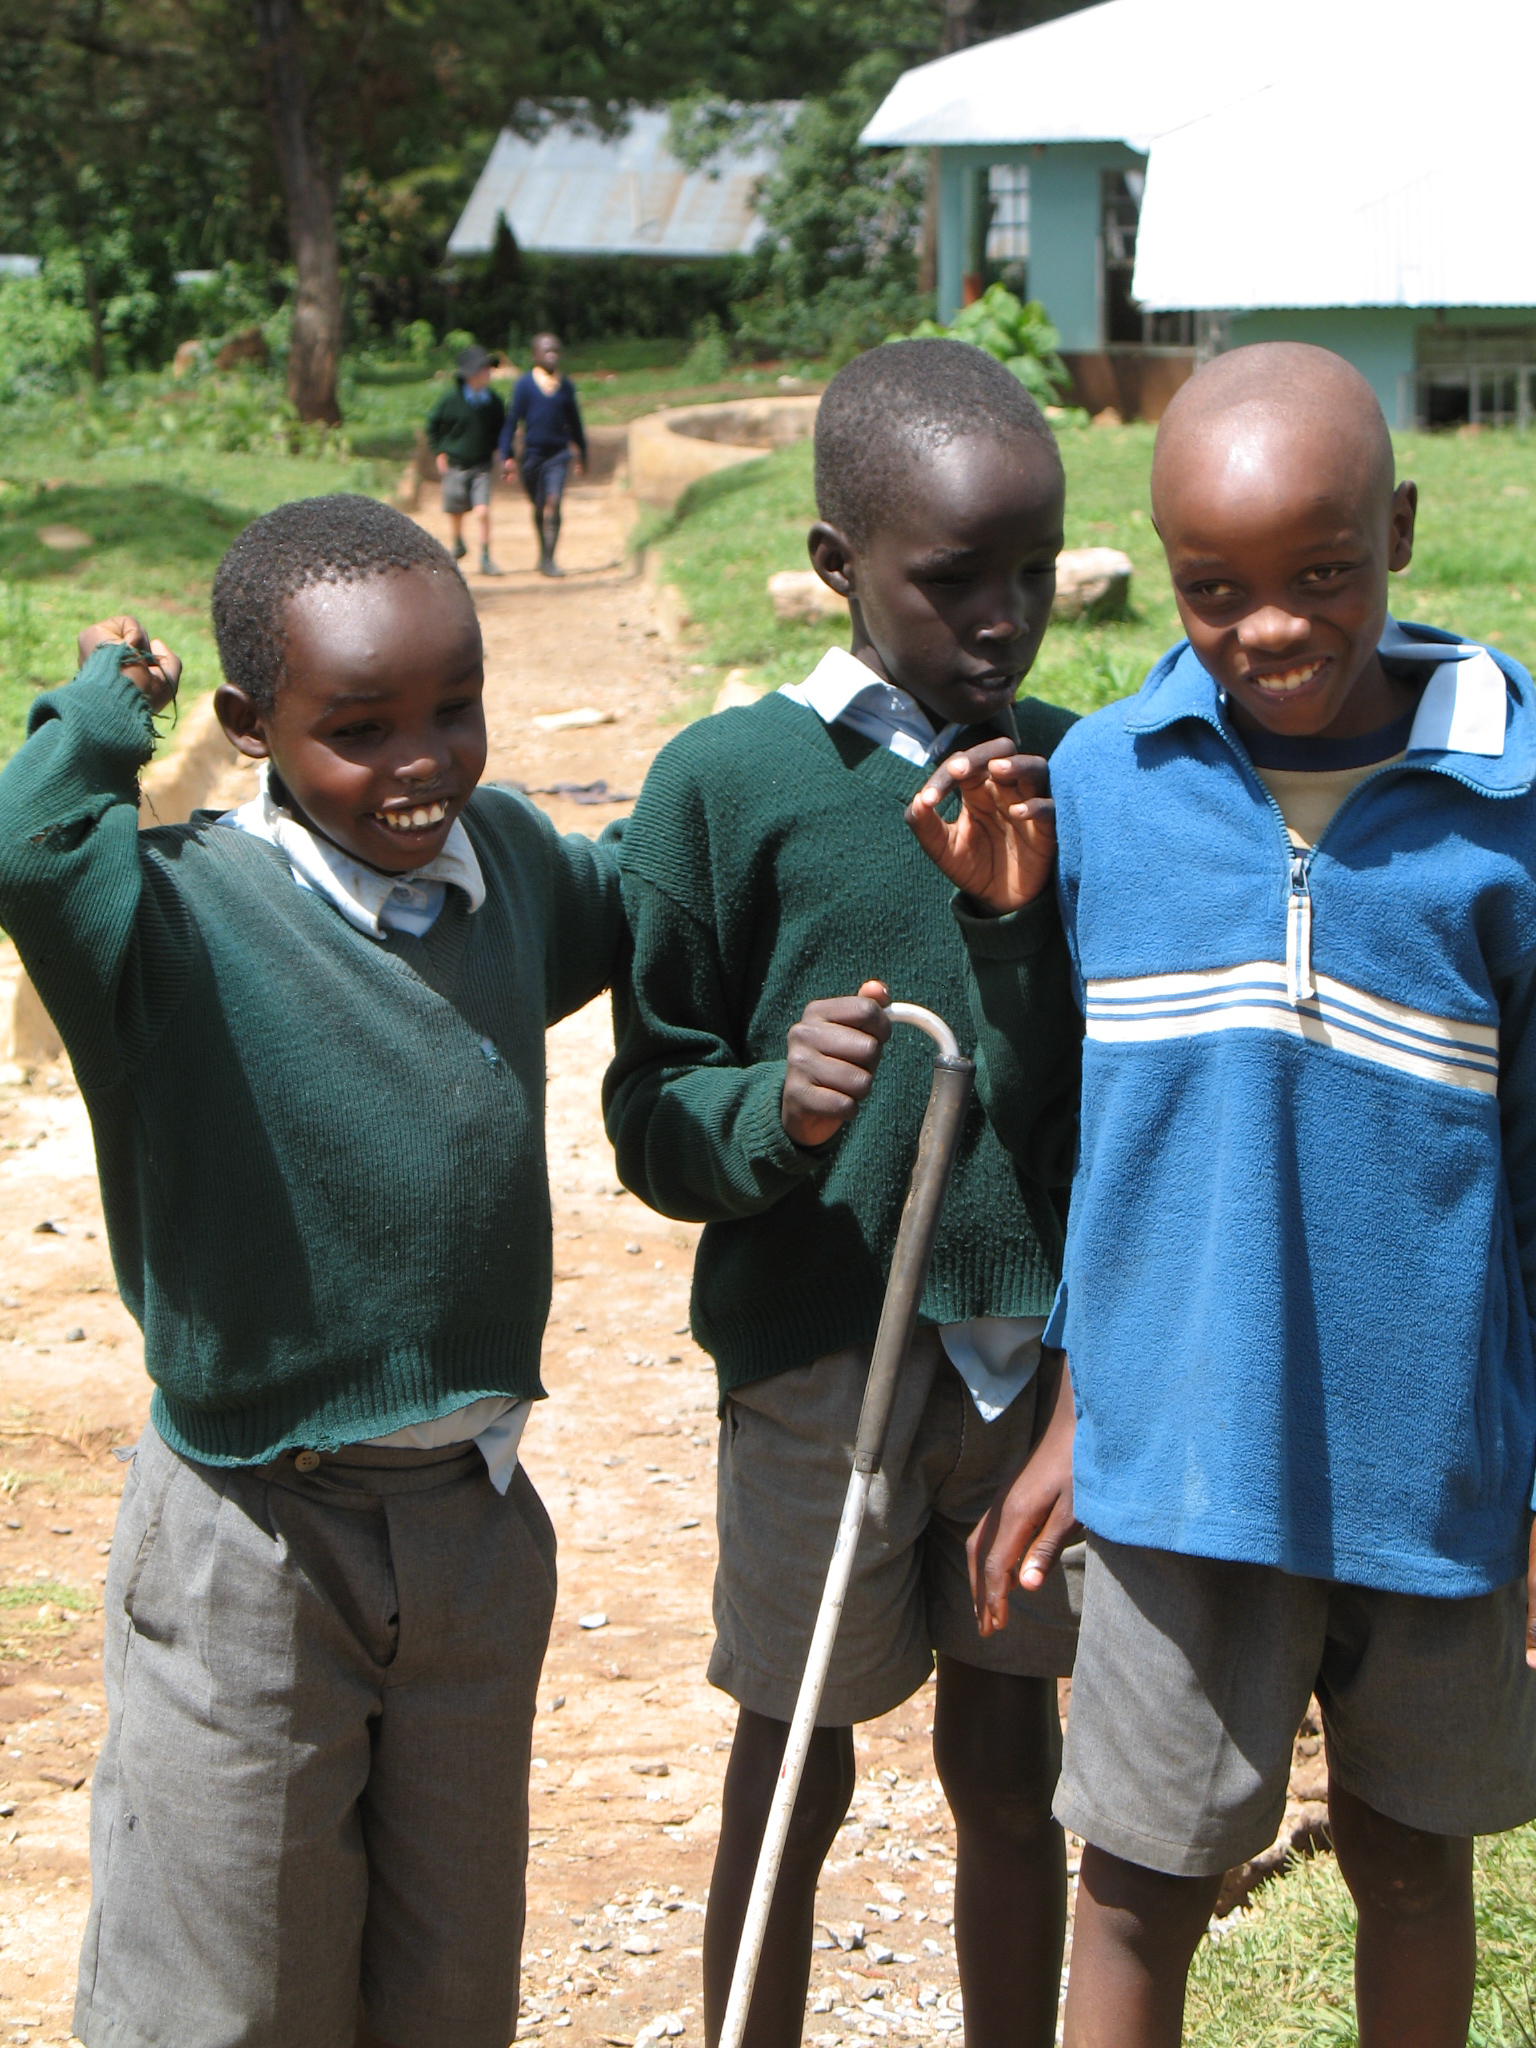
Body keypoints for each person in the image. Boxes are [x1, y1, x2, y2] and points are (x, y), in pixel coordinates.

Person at [911, 342, 1536, 2048]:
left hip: (1434, 1462)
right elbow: (1079, 1122)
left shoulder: (1514, 803)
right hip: (1184, 1448)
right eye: (1213, 588)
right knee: (1137, 1880)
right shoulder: (1113, 784)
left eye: (1323, 574)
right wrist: (1068, 1406)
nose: (1270, 626)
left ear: (1401, 529)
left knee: (1414, 1866)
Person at [0, 495, 626, 2048]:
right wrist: (98, 711)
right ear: (249, 726)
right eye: (358, 728)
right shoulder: (173, 917)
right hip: (249, 1539)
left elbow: (640, 906)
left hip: (471, 1528)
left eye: (453, 709)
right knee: (225, 1992)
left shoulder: (511, 870)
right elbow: (25, 848)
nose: (421, 764)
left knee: (446, 1980)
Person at [604, 339, 1082, 2048]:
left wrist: (1017, 928)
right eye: (953, 580)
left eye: (1032, 574)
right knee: (792, 1752)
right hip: (824, 1363)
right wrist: (767, 1109)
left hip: (1026, 1379)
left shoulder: (1074, 775)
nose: (1002, 620)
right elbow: (646, 1107)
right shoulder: (730, 787)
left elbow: (1083, 1096)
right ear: (835, 565)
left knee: (1013, 1765)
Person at [499, 332, 586, 577]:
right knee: (538, 506)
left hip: (558, 455)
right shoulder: (525, 385)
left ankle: (550, 558)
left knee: (554, 501)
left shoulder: (565, 386)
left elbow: (575, 423)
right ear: (535, 355)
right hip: (532, 455)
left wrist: (582, 454)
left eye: (556, 351)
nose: (552, 356)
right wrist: (506, 454)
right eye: (547, 351)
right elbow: (512, 420)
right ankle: (542, 551)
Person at [427, 341, 506, 576]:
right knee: (457, 509)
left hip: (481, 464)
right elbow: (434, 426)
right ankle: (458, 541)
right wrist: (439, 450)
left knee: (482, 511)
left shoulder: (493, 403)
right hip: (456, 464)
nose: (488, 373)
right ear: (470, 374)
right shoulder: (451, 402)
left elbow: (501, 432)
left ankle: (485, 555)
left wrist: (505, 455)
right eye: (483, 369)